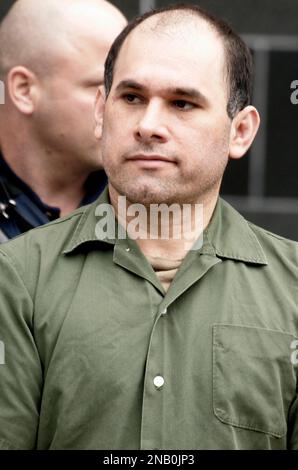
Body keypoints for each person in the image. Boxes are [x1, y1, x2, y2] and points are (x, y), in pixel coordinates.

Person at [0, 4, 297, 450]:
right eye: (132, 98)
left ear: (240, 131)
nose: (148, 125)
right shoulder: (19, 275)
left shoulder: (292, 287)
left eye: (182, 103)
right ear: (101, 112)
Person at [0, 0, 126, 241]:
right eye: (102, 87)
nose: (125, 109)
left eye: (130, 93)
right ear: (24, 90)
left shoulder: (148, 204)